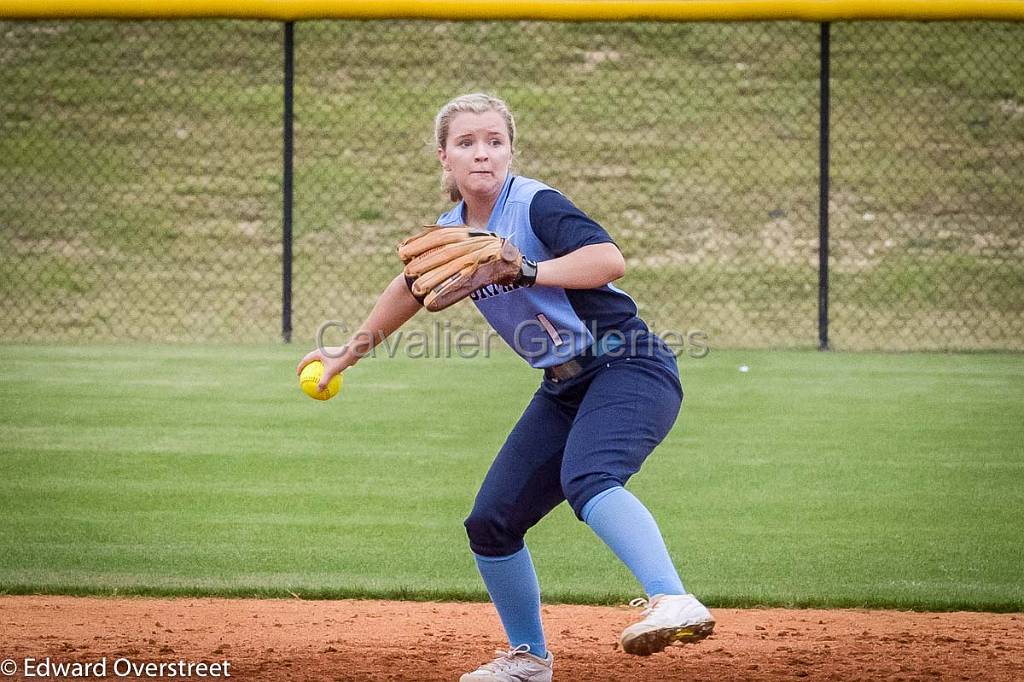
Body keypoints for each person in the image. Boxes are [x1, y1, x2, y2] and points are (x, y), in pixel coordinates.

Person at [297, 93, 714, 682]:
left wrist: (528, 269)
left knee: (590, 479)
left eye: (495, 140)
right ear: (444, 158)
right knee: (491, 522)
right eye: (466, 143)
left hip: (629, 364)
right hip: (561, 386)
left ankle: (671, 597)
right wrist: (347, 353)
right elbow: (410, 287)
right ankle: (529, 659)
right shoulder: (450, 235)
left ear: (510, 150)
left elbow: (608, 260)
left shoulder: (536, 204)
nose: (483, 153)